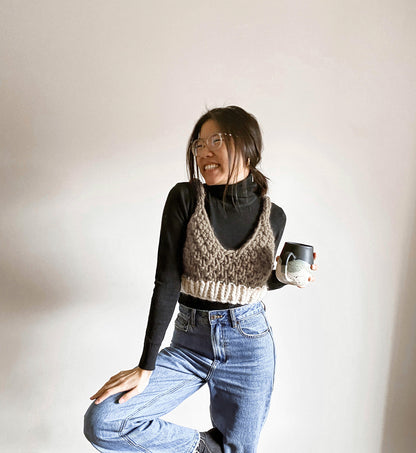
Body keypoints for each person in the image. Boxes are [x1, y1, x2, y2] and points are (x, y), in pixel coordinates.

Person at [84, 105, 318, 453]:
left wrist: (283, 277)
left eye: (215, 141)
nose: (203, 152)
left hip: (249, 345)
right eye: (198, 144)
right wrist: (145, 365)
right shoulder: (186, 198)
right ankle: (205, 448)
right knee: (104, 421)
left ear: (247, 146)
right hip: (190, 343)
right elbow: (166, 282)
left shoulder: (275, 216)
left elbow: (252, 283)